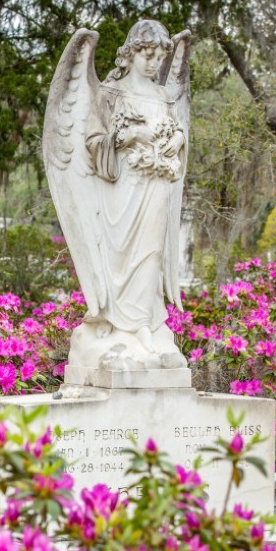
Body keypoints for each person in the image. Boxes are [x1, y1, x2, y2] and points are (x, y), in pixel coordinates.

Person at [70, 19, 188, 370]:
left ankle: (145, 326)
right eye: (147, 55)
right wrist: (130, 137)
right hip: (121, 191)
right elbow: (93, 143)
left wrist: (178, 139)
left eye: (158, 57)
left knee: (152, 252)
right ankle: (119, 325)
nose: (153, 63)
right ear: (131, 53)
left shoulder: (163, 95)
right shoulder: (109, 94)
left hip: (157, 184)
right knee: (120, 256)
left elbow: (178, 129)